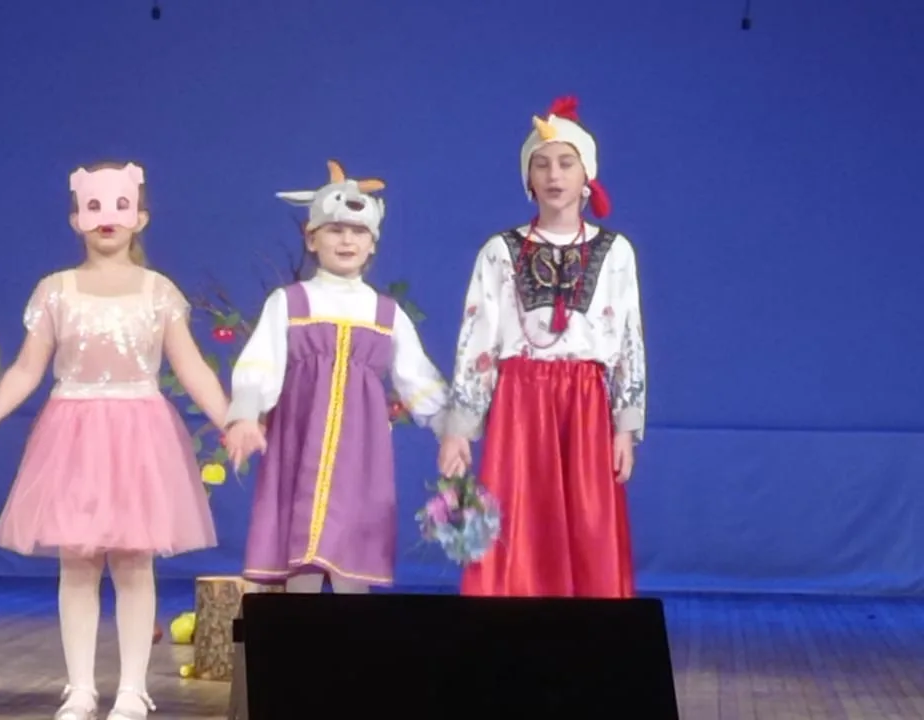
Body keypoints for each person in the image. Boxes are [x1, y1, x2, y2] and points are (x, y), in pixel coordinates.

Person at [0, 161, 226, 720]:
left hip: (139, 434)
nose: (106, 218)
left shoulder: (158, 291)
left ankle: (133, 688)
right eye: (93, 207)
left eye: (118, 206)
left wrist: (232, 420)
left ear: (140, 217)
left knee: (135, 562)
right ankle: (81, 687)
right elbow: (26, 370)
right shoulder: (56, 291)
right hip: (74, 432)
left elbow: (191, 368)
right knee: (79, 560)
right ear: (76, 219)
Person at [436, 96, 648, 598]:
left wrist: (625, 425)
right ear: (527, 178)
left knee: (589, 523)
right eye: (542, 164)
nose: (554, 175)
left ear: (587, 175)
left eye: (566, 163)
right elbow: (478, 340)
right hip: (520, 401)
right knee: (516, 518)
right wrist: (459, 429)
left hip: (586, 403)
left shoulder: (615, 252)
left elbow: (628, 341)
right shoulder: (500, 250)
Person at [223, 160, 450, 594]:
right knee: (301, 553)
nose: (347, 240)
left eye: (358, 231)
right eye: (335, 229)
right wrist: (246, 414)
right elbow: (260, 361)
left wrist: (448, 429)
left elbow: (417, 377)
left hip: (360, 455)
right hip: (299, 444)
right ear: (312, 238)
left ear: (372, 243)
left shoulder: (384, 313)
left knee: (352, 555)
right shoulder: (291, 302)